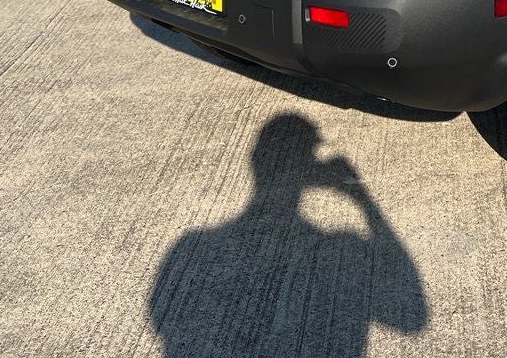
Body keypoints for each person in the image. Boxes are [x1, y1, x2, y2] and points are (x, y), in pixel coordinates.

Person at [148, 113, 427, 357]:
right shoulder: (338, 248)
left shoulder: (191, 246)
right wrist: (363, 199)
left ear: (256, 161)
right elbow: (412, 320)